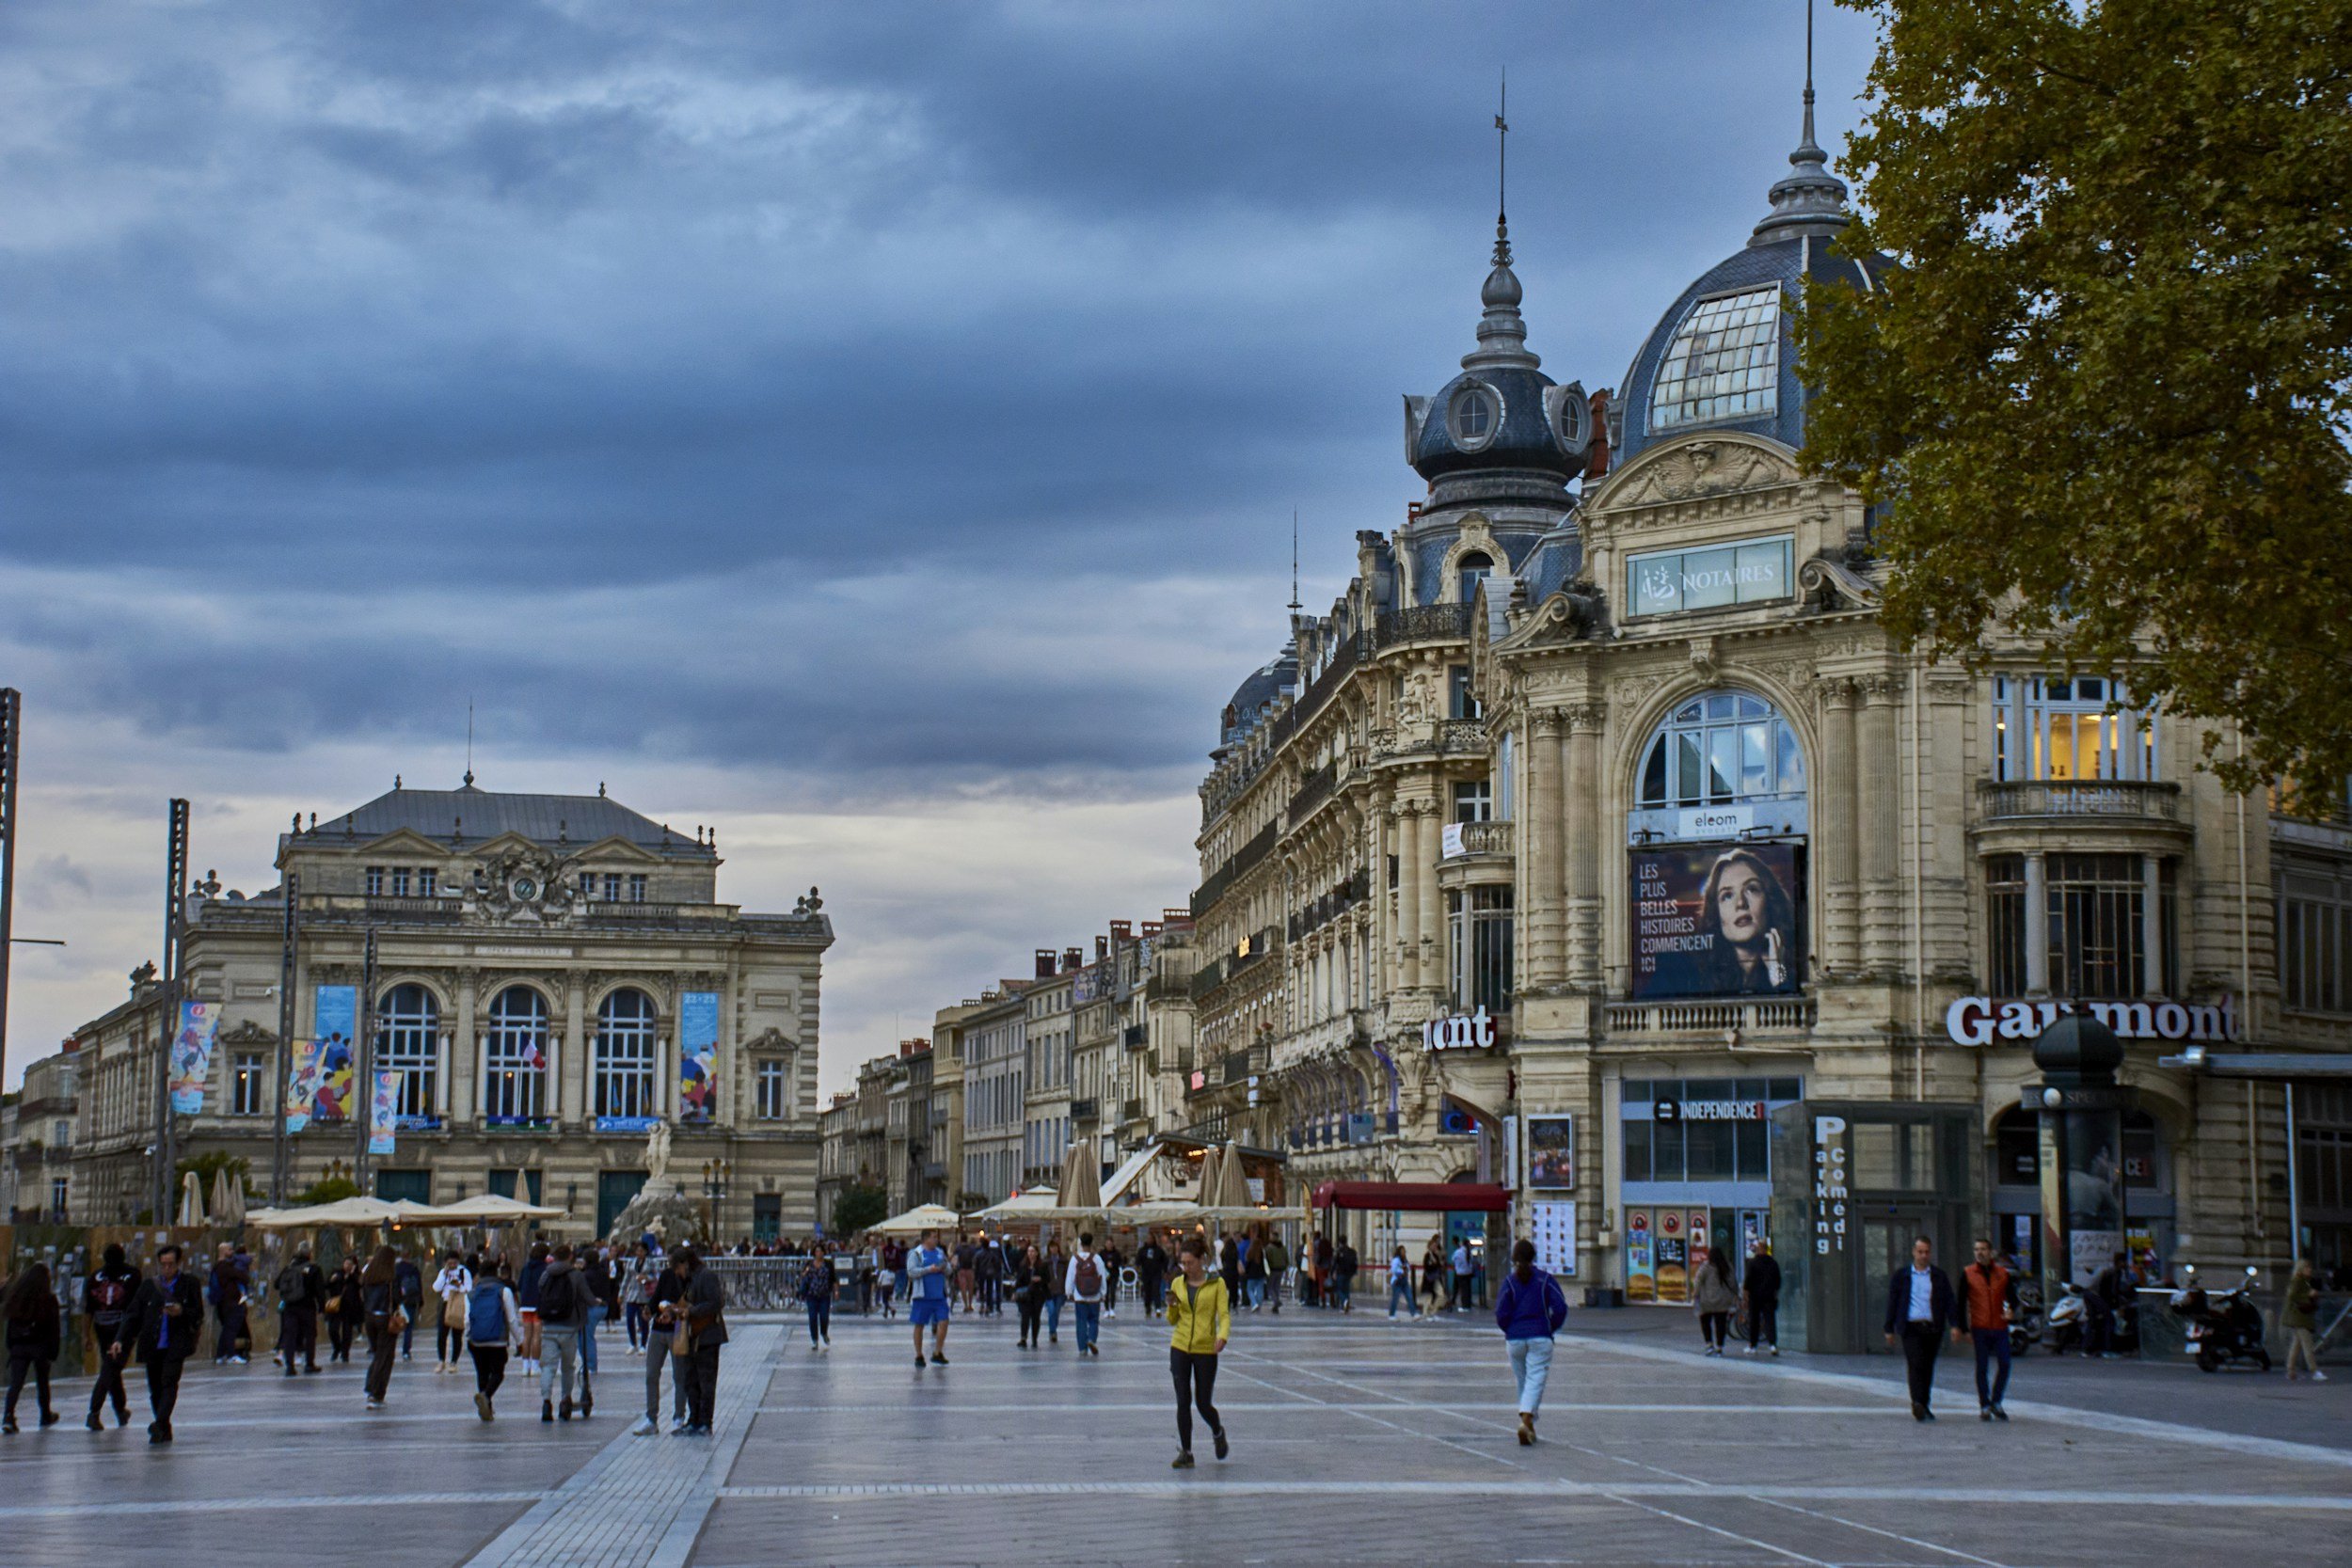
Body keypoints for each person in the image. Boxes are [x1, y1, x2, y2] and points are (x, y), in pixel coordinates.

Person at [119, 1242, 204, 1444]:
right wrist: (119, 1340)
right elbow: (133, 1314)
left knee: (169, 1382)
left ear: (179, 1263)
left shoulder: (189, 1284)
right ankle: (164, 1427)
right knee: (155, 1388)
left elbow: (198, 1314)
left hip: (176, 1342)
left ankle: (159, 1423)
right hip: (152, 1343)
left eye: (171, 1264)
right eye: (163, 1264)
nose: (167, 1269)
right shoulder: (149, 1286)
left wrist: (181, 1311)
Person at [1494, 1239, 1569, 1446]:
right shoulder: (1545, 1280)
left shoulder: (1510, 1282)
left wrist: (1509, 1329)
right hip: (1540, 1336)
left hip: (1515, 1339)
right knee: (1535, 1380)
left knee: (1524, 1382)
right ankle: (1526, 1420)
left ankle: (1529, 1426)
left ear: (1514, 1259)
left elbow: (1500, 1312)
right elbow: (1561, 1307)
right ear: (1533, 1257)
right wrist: (1550, 1327)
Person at [1165, 1235, 1231, 1469]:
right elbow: (1172, 1320)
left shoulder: (1216, 1284)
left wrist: (1222, 1335)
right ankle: (1187, 1452)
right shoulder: (1177, 1284)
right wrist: (1171, 1307)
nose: (1186, 1267)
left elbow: (1223, 1314)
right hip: (1180, 1346)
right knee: (1183, 1399)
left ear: (1201, 1260)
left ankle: (1217, 1430)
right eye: (1183, 1263)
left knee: (1203, 1402)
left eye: (1190, 1262)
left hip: (1205, 1348)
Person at [1883, 1236, 1960, 1421]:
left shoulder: (1939, 1276)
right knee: (1915, 1364)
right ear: (1913, 1252)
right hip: (1910, 1327)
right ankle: (1917, 1402)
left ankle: (1925, 1403)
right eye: (1920, 1252)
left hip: (1932, 1327)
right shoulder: (1902, 1276)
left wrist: (1955, 1325)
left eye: (1926, 1252)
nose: (1923, 1255)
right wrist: (1889, 1328)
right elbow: (1893, 1302)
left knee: (1927, 1366)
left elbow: (1949, 1301)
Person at [635, 1246, 691, 1435]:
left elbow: (689, 1303)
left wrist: (674, 1312)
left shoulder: (689, 1278)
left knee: (679, 1375)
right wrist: (649, 1310)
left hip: (677, 1328)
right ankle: (651, 1418)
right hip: (658, 1328)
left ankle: (679, 1417)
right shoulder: (667, 1275)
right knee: (651, 1373)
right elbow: (657, 1295)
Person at [85, 1243, 140, 1426]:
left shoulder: (95, 1277)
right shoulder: (132, 1275)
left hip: (102, 1327)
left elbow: (88, 1309)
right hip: (122, 1330)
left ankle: (120, 1409)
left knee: (112, 1368)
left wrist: (87, 1335)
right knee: (110, 1369)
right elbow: (137, 1304)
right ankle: (94, 1411)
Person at [3, 1262, 62, 1433]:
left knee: (16, 1383)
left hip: (19, 1347)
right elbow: (54, 1329)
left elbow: (11, 1327)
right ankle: (45, 1414)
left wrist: (11, 1346)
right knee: (42, 1382)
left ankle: (8, 1415)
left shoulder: (16, 1298)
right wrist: (53, 1351)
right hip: (40, 1347)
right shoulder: (48, 1299)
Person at [1961, 1238, 2016, 1419]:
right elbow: (1960, 1302)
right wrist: (1964, 1328)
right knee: (1982, 1367)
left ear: (1990, 1252)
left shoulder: (2002, 1273)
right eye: (1976, 1249)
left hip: (2000, 1326)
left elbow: (2012, 1298)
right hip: (1980, 1327)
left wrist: (2011, 1311)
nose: (1980, 1252)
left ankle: (1996, 1400)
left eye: (1983, 1249)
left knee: (2005, 1363)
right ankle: (1985, 1404)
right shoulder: (1968, 1273)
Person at [535, 1242, 589, 1422]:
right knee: (568, 1367)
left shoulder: (546, 1274)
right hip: (569, 1326)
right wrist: (598, 1302)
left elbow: (540, 1290)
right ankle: (566, 1399)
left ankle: (546, 1402)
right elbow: (586, 1296)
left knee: (548, 1367)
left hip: (549, 1326)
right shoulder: (576, 1275)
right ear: (570, 1257)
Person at [465, 1259, 523, 1421]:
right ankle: (486, 1396)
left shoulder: (472, 1293)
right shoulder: (504, 1291)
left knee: (482, 1373)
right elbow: (511, 1319)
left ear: (480, 1274)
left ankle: (487, 1409)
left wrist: (468, 1336)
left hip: (476, 1341)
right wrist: (519, 1341)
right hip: (497, 1340)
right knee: (498, 1373)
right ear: (495, 1272)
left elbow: (467, 1320)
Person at [678, 1246, 727, 1434]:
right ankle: (694, 1418)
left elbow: (717, 1302)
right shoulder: (689, 1280)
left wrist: (692, 1311)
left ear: (686, 1263)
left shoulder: (706, 1276)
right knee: (691, 1380)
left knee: (706, 1381)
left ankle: (706, 1421)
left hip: (707, 1336)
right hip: (691, 1336)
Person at [358, 1245, 405, 1410]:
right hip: (385, 1318)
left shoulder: (368, 1275)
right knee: (385, 1356)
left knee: (377, 1353)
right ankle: (376, 1392)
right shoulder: (390, 1277)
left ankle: (370, 1386)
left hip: (370, 1316)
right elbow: (398, 1297)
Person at [274, 1245, 325, 1376]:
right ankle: (309, 1364)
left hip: (289, 1307)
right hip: (307, 1307)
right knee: (310, 1335)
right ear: (309, 1255)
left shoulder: (288, 1268)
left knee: (290, 1336)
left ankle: (289, 1367)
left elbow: (276, 1284)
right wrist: (321, 1307)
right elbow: (320, 1290)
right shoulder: (314, 1269)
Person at [908, 1227, 953, 1368]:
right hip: (922, 1296)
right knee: (919, 1325)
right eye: (933, 1237)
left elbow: (949, 1269)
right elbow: (911, 1272)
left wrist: (945, 1268)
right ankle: (919, 1354)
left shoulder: (940, 1253)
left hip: (939, 1295)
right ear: (925, 1239)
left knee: (944, 1321)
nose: (936, 1240)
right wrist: (928, 1270)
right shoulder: (916, 1253)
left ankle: (937, 1352)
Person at [2283, 1258, 2326, 1383]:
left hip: (2300, 1317)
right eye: (2307, 1268)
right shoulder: (2298, 1281)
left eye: (2310, 1267)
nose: (2310, 1270)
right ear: (2301, 1269)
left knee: (2296, 1345)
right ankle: (2314, 1370)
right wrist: (2308, 1295)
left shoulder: (2304, 1281)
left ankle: (2290, 1370)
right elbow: (2292, 1296)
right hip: (2299, 1317)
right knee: (2307, 1344)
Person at [1067, 1232, 1108, 1356]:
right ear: (1091, 1243)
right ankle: (1091, 1339)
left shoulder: (1075, 1259)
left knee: (1081, 1321)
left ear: (1080, 1243)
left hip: (1080, 1296)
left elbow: (1071, 1277)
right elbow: (1102, 1276)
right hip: (1094, 1296)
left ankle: (1082, 1348)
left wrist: (1069, 1292)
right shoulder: (1097, 1259)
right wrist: (1103, 1293)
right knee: (1094, 1320)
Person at [432, 1252, 473, 1374]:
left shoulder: (464, 1272)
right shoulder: (443, 1272)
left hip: (458, 1303)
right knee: (442, 1333)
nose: (452, 1265)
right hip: (446, 1303)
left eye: (454, 1263)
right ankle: (441, 1360)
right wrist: (444, 1276)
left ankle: (454, 1362)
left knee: (456, 1334)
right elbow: (436, 1288)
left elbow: (469, 1289)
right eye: (450, 1263)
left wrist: (458, 1285)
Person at [1692, 1245, 1739, 1354]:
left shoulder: (1706, 1267)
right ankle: (1720, 1346)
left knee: (1705, 1322)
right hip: (1723, 1301)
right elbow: (1733, 1283)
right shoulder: (1727, 1266)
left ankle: (1709, 1344)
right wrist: (1735, 1295)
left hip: (1706, 1301)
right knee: (1721, 1324)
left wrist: (1696, 1294)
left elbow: (1698, 1281)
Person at [207, 1243, 248, 1364]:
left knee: (227, 1329)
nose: (232, 1252)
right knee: (231, 1329)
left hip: (224, 1303)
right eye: (230, 1250)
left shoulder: (219, 1267)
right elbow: (244, 1277)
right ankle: (231, 1355)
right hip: (231, 1303)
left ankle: (221, 1355)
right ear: (223, 1251)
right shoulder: (224, 1267)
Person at [581, 1242, 616, 1380]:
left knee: (586, 1337)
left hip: (592, 1307)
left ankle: (590, 1365)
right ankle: (588, 1363)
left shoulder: (586, 1275)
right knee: (585, 1336)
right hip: (604, 1307)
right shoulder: (603, 1272)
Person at [1740, 1241, 1781, 1355]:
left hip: (1755, 1296)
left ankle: (1753, 1345)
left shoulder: (1753, 1263)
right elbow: (1778, 1280)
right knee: (1770, 1320)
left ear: (1758, 1250)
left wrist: (1746, 1295)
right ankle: (1773, 1345)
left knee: (1754, 1320)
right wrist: (1775, 1291)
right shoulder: (1773, 1263)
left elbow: (1748, 1280)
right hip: (1769, 1296)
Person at [325, 1255, 365, 1363]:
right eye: (346, 1263)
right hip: (336, 1306)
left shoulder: (356, 1275)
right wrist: (331, 1280)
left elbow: (360, 1285)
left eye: (350, 1264)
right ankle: (337, 1347)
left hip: (350, 1307)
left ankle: (345, 1352)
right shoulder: (337, 1273)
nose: (347, 1266)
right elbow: (326, 1285)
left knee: (347, 1331)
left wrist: (352, 1275)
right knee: (332, 1329)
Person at [516, 1243, 548, 1375]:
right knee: (537, 1337)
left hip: (525, 1305)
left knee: (527, 1336)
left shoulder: (526, 1268)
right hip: (539, 1305)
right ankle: (535, 1366)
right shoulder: (545, 1268)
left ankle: (525, 1366)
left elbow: (519, 1286)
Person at [797, 1245, 834, 1351]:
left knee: (824, 1317)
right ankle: (814, 1339)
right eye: (817, 1251)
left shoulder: (828, 1264)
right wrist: (805, 1273)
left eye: (820, 1251)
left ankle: (824, 1333)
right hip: (811, 1295)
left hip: (824, 1295)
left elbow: (833, 1277)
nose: (818, 1253)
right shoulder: (809, 1264)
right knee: (812, 1318)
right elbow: (803, 1276)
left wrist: (836, 1291)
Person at [1012, 1243, 1049, 1348]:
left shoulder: (1042, 1265)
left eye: (1033, 1251)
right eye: (1029, 1251)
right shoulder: (1023, 1265)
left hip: (1038, 1295)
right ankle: (1023, 1338)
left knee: (1035, 1317)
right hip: (1025, 1295)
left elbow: (1048, 1279)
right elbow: (1019, 1280)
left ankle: (1034, 1338)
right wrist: (1015, 1292)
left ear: (1037, 1253)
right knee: (1025, 1316)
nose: (1031, 1253)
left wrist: (1040, 1279)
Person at [622, 1242, 653, 1354]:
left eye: (641, 1251)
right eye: (637, 1251)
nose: (639, 1253)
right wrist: (621, 1292)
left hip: (644, 1295)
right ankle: (632, 1343)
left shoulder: (651, 1262)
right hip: (632, 1294)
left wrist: (647, 1277)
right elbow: (626, 1278)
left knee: (643, 1320)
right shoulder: (631, 1262)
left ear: (645, 1252)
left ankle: (643, 1344)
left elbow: (656, 1275)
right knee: (630, 1319)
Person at [393, 1249, 423, 1361]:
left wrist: (395, 1300)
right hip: (411, 1301)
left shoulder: (397, 1269)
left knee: (394, 1325)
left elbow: (394, 1286)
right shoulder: (414, 1269)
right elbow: (419, 1286)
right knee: (408, 1327)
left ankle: (391, 1349)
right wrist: (420, 1302)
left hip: (399, 1302)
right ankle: (406, 1351)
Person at [1042, 1240, 1068, 1345]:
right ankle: (1052, 1332)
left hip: (1060, 1289)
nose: (1053, 1249)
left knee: (1056, 1312)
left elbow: (1067, 1275)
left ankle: (1053, 1330)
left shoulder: (1063, 1261)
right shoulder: (1045, 1261)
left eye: (1055, 1247)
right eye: (1051, 1247)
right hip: (1049, 1290)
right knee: (1051, 1310)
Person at [1136, 1236, 1168, 1318]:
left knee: (1156, 1290)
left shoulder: (1159, 1250)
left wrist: (1165, 1271)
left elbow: (1164, 1260)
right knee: (1147, 1292)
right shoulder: (1142, 1250)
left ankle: (1158, 1308)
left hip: (1156, 1274)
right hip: (1146, 1274)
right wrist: (1138, 1267)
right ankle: (1148, 1308)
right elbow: (1138, 1261)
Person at [976, 1234, 1004, 1317]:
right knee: (989, 1290)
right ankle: (989, 1306)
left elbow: (976, 1265)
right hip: (990, 1273)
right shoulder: (992, 1253)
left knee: (981, 1290)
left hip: (981, 1273)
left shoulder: (979, 1254)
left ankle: (982, 1305)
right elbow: (996, 1263)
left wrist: (976, 1275)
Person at [1260, 1234, 1288, 1314]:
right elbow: (1286, 1257)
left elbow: (1266, 1259)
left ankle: (1276, 1301)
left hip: (1272, 1269)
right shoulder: (1283, 1247)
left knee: (1270, 1287)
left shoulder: (1269, 1248)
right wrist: (1285, 1266)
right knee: (1277, 1286)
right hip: (1281, 1269)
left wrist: (1267, 1269)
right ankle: (1276, 1302)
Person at [1330, 1238, 1359, 1314]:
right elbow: (1355, 1263)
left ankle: (1344, 1301)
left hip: (1341, 1272)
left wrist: (1332, 1272)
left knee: (1339, 1289)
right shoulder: (1352, 1251)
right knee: (1346, 1289)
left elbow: (1335, 1262)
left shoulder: (1339, 1251)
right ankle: (1346, 1305)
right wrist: (1354, 1272)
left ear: (1340, 1243)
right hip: (1349, 1273)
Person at [1387, 1245, 1416, 1318]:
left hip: (1404, 1281)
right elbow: (1393, 1270)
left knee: (1409, 1297)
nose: (1404, 1252)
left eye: (1404, 1251)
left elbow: (1408, 1267)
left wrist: (1406, 1269)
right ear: (1399, 1252)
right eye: (1402, 1251)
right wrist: (1402, 1271)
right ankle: (1391, 1315)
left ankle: (1414, 1314)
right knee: (1395, 1298)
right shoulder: (1396, 1260)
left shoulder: (1405, 1260)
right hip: (1397, 1281)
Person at [1241, 1236, 1267, 1312]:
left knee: (1249, 1289)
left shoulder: (1250, 1252)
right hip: (1261, 1274)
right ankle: (1258, 1303)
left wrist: (1246, 1272)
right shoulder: (1262, 1252)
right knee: (1260, 1290)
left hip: (1251, 1274)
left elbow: (1247, 1264)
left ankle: (1254, 1303)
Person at [1421, 1237, 1446, 1315]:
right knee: (1428, 1296)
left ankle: (1433, 1310)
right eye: (1433, 1246)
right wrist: (1435, 1264)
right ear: (1430, 1246)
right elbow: (1427, 1267)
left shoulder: (1436, 1255)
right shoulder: (1427, 1255)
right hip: (1429, 1278)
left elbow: (1439, 1265)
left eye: (1435, 1246)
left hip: (1436, 1278)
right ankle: (1426, 1313)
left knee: (1441, 1295)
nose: (1435, 1247)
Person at [1451, 1238, 1477, 1312]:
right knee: (1468, 1289)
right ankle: (1468, 1305)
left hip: (1460, 1273)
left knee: (1463, 1290)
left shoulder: (1458, 1252)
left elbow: (1453, 1259)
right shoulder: (1468, 1252)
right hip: (1468, 1273)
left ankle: (1464, 1306)